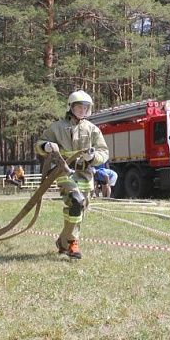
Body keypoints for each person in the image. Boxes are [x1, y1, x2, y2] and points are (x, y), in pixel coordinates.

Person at [35, 90, 109, 259]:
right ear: (70, 107)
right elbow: (39, 144)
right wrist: (45, 146)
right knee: (76, 201)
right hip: (65, 171)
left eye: (86, 107)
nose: (82, 110)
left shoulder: (93, 129)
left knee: (79, 209)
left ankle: (62, 241)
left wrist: (93, 157)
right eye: (79, 106)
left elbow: (104, 152)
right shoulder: (57, 127)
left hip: (86, 174)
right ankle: (72, 243)